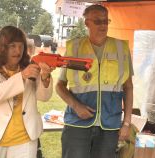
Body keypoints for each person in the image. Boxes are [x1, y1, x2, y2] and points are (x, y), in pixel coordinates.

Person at [56, 4, 133, 158]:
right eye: (98, 21)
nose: (103, 25)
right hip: (77, 123)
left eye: (106, 21)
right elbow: (59, 86)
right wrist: (76, 106)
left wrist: (126, 123)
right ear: (87, 23)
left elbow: (128, 87)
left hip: (110, 124)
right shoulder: (74, 47)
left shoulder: (121, 48)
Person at [0, 25, 54, 158]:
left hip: (24, 139)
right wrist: (21, 76)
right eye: (12, 46)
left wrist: (45, 77)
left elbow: (43, 97)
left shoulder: (30, 67)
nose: (18, 51)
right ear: (1, 47)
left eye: (21, 46)